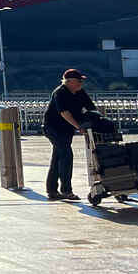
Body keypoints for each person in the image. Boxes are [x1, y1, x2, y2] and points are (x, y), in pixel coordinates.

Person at [43, 68, 97, 201]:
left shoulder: (79, 92)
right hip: (53, 128)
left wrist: (98, 121)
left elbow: (92, 108)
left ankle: (52, 190)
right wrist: (79, 127)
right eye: (79, 81)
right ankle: (66, 190)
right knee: (66, 155)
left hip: (67, 130)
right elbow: (64, 113)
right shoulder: (60, 93)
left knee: (58, 158)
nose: (81, 84)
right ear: (69, 82)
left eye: (81, 81)